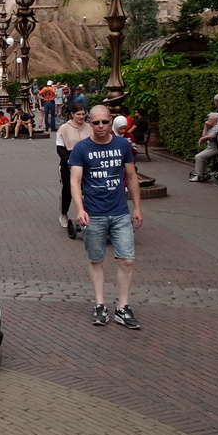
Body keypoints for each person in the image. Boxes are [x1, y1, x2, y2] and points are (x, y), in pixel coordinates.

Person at [69, 104, 144, 329]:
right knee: (96, 259)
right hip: (94, 213)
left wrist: (137, 208)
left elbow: (131, 177)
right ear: (89, 123)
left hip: (120, 212)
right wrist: (80, 209)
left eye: (105, 122)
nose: (101, 126)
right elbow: (75, 181)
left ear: (111, 121)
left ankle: (123, 306)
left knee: (127, 259)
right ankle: (100, 304)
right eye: (95, 122)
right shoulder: (82, 148)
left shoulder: (122, 145)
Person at [56, 103, 93, 228]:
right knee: (68, 189)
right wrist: (69, 162)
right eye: (78, 114)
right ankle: (64, 214)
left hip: (88, 162)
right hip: (69, 163)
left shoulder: (89, 127)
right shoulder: (64, 128)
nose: (81, 117)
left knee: (88, 188)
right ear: (72, 114)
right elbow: (60, 148)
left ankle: (88, 213)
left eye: (83, 114)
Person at [190, 112, 218, 182]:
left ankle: (199, 175)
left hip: (214, 148)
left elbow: (213, 136)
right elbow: (204, 135)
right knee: (201, 157)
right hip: (210, 147)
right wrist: (206, 126)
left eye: (209, 119)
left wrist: (203, 139)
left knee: (199, 157)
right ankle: (203, 173)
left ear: (214, 120)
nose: (207, 120)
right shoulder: (212, 128)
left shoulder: (217, 127)